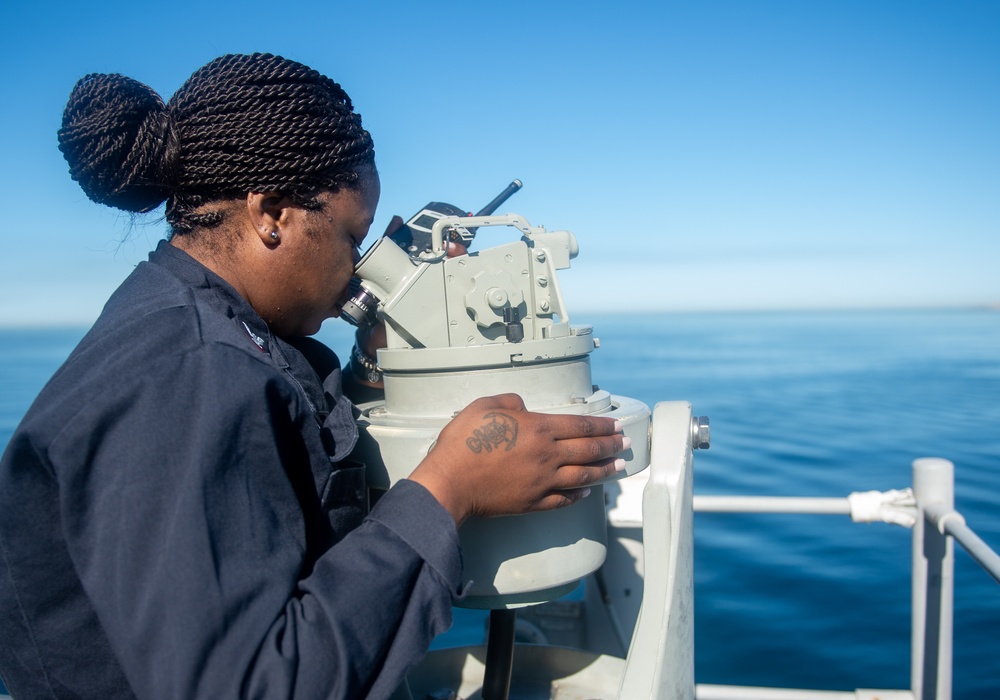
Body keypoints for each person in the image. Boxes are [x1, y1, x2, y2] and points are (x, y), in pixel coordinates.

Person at [0, 53, 627, 699]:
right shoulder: (189, 377)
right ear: (270, 213)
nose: (356, 269)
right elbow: (249, 685)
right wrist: (449, 489)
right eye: (351, 238)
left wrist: (379, 357)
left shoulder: (194, 323)